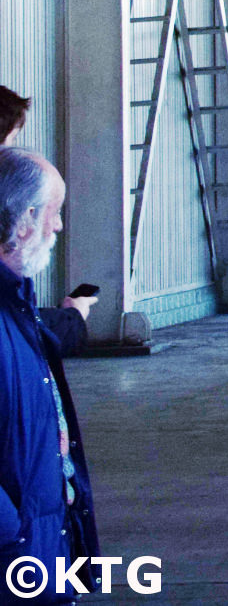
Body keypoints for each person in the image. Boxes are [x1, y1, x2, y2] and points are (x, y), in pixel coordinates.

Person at [0, 149, 98, 601]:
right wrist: (13, 532)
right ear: (24, 219)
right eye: (54, 213)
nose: (58, 227)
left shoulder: (16, 309)